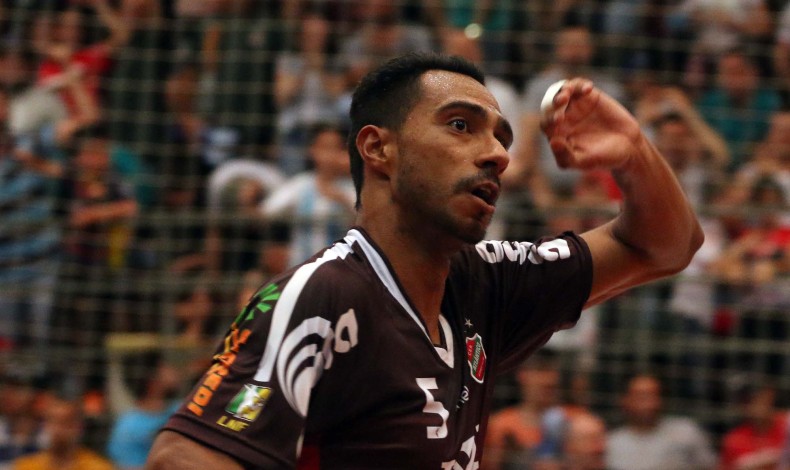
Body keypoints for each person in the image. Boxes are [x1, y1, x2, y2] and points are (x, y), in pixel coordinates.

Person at [147, 52, 702, 469]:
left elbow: (663, 245)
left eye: (501, 138)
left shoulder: (490, 281)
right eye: (460, 125)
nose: (497, 154)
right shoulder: (323, 295)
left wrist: (635, 153)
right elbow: (182, 458)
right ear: (378, 149)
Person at [606, 374, 716, 470]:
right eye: (641, 396)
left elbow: (710, 466)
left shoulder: (686, 432)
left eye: (653, 395)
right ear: (625, 400)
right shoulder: (611, 443)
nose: (648, 403)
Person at [12, 397, 113, 470]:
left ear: (79, 427)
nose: (59, 430)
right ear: (45, 426)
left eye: (66, 422)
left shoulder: (99, 467)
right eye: (53, 422)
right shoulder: (26, 466)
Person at [719, 381, 788, 470]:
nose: (757, 405)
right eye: (751, 400)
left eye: (761, 398)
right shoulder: (734, 439)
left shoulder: (786, 426)